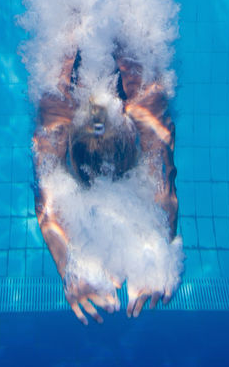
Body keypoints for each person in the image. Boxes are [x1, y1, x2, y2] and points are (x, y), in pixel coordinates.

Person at [32, 50, 179, 324]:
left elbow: (46, 197)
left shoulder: (58, 100)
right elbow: (164, 185)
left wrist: (70, 270)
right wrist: (157, 255)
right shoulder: (145, 97)